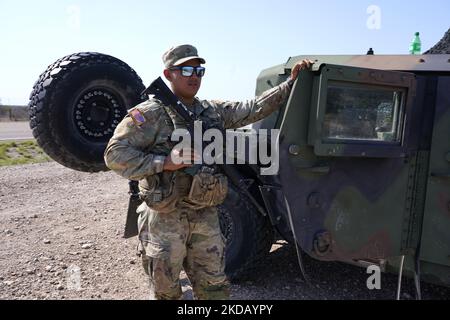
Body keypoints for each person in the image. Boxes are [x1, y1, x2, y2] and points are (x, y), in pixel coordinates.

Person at [104, 44, 313, 300]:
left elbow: (254, 107)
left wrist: (290, 84)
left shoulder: (210, 111)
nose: (194, 76)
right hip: (165, 216)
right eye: (186, 69)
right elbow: (114, 155)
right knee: (166, 289)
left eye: (199, 70)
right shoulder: (150, 114)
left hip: (204, 213)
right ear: (168, 74)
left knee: (214, 287)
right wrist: (164, 161)